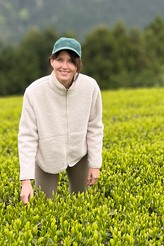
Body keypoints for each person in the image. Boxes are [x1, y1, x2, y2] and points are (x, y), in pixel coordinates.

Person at [18, 37, 104, 205]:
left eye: (71, 61)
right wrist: (26, 181)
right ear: (51, 61)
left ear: (78, 65)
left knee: (80, 204)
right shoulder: (34, 92)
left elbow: (94, 127)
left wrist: (95, 164)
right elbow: (27, 137)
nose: (65, 66)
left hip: (79, 154)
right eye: (60, 60)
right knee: (45, 207)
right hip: (47, 157)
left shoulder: (91, 87)